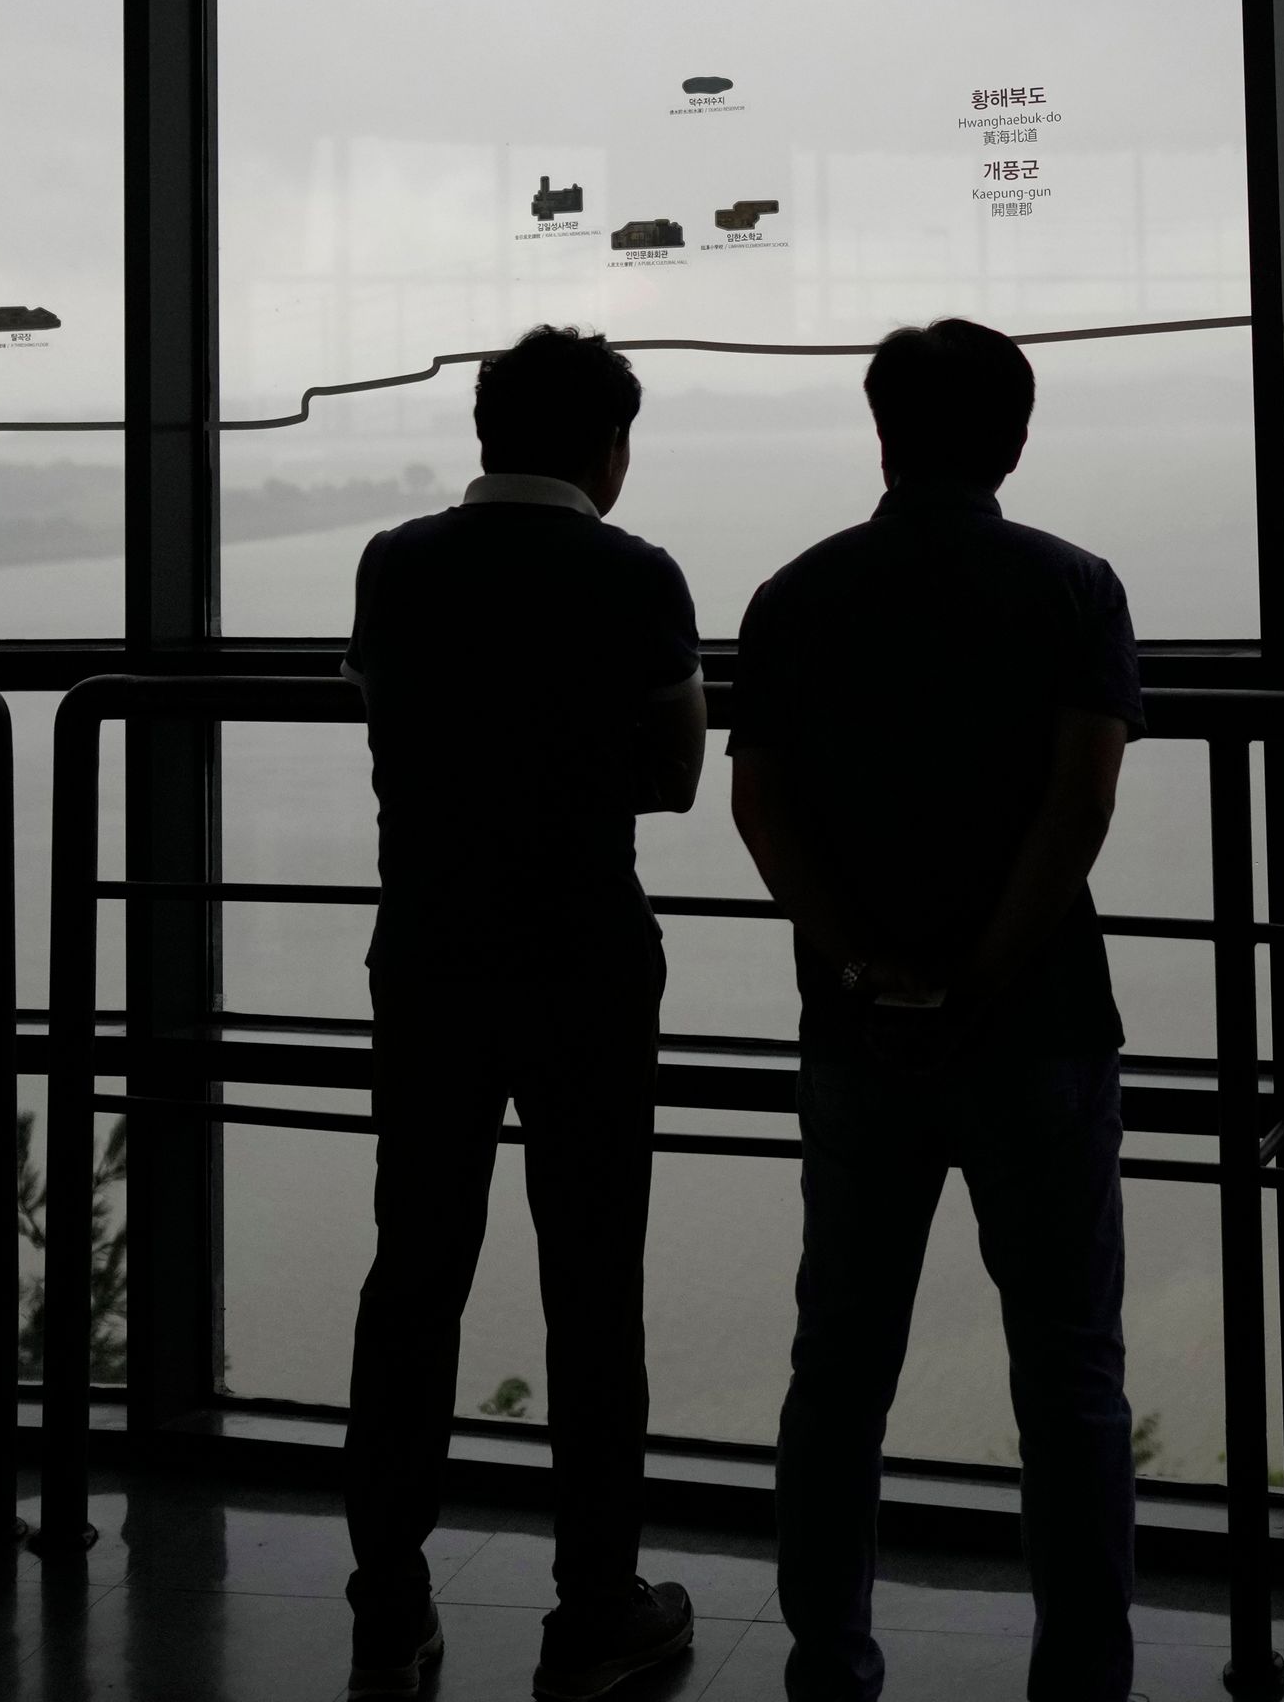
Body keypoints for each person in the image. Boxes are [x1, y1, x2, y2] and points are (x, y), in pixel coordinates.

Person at [730, 319, 1145, 1702]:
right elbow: (1078, 802)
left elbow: (764, 805)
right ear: (1015, 440)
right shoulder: (1075, 590)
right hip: (1039, 1029)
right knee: (1070, 1373)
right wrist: (985, 973)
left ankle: (829, 1661)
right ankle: (1081, 1674)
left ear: (881, 429)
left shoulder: (794, 599)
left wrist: (862, 966)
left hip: (857, 1035)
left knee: (838, 1367)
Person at [341, 326, 709, 1702]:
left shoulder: (397, 564)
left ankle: (388, 1601)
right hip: (585, 962)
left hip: (429, 954)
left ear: (490, 433)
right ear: (607, 448)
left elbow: (381, 708)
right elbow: (673, 775)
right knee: (591, 1288)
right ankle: (595, 1603)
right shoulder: (635, 576)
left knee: (415, 1273)